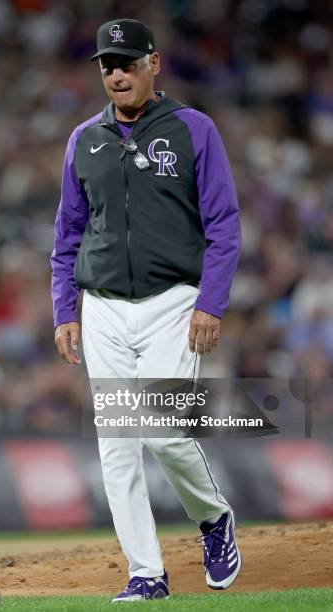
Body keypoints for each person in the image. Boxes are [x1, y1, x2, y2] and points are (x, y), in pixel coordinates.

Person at [51, 18, 242, 603]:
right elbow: (68, 232)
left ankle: (213, 519)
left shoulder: (193, 129)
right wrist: (65, 309)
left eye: (127, 63)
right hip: (102, 305)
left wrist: (211, 302)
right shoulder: (85, 139)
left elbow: (224, 225)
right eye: (107, 64)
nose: (116, 73)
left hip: (173, 303)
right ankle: (146, 574)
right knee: (116, 443)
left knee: (163, 430)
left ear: (153, 65)